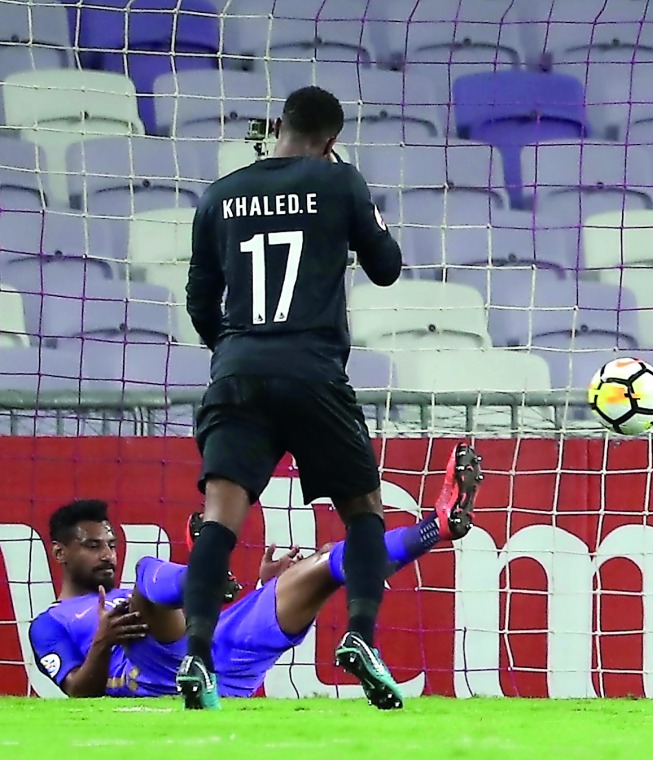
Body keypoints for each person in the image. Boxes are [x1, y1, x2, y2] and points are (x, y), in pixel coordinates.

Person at [183, 86, 405, 709]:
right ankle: (360, 637)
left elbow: (201, 301)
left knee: (220, 519)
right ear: (331, 138)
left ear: (279, 125)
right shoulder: (341, 182)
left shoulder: (219, 195)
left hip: (237, 371)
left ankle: (198, 658)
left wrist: (235, 354)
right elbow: (386, 265)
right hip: (312, 372)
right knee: (362, 512)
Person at [29, 447, 480, 701]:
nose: (107, 554)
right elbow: (77, 692)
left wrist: (264, 586)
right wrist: (104, 643)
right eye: (92, 546)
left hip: (226, 651)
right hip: (164, 669)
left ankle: (435, 526)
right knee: (149, 572)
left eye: (110, 544)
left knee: (325, 564)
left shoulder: (127, 591)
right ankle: (201, 572)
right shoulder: (50, 623)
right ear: (59, 552)